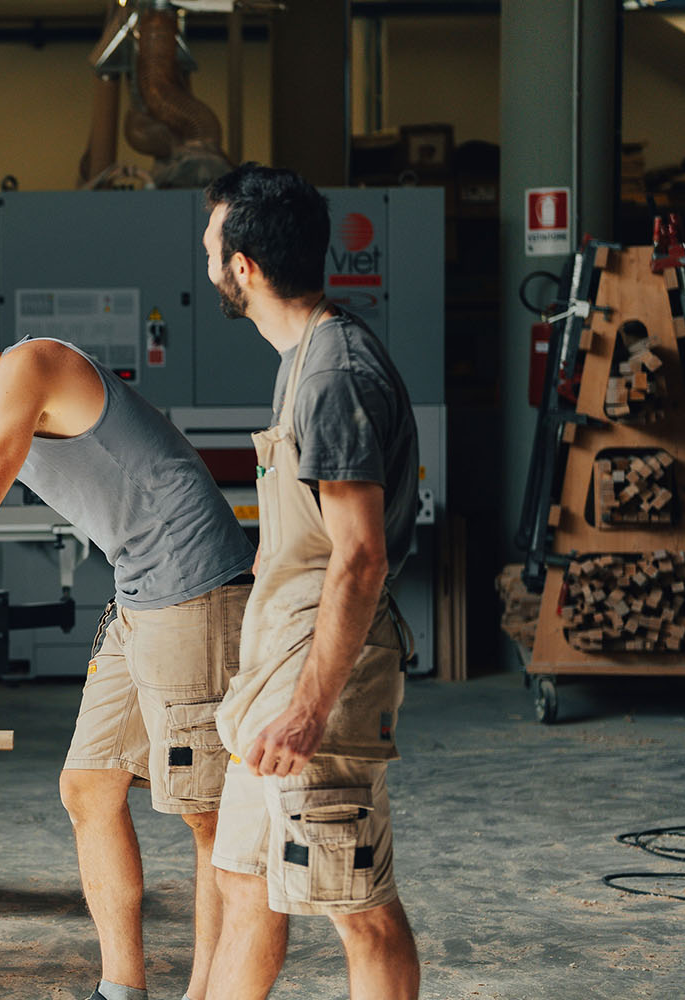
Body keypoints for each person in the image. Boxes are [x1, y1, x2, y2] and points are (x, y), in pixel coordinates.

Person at [0, 307, 255, 1000]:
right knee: (89, 786)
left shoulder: (33, 365)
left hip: (195, 590)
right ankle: (122, 990)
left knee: (206, 816)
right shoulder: (3, 411)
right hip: (141, 595)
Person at [199, 164, 420, 1000]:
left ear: (243, 268)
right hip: (278, 662)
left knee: (357, 905)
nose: (208, 260)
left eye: (213, 246)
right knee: (245, 885)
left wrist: (307, 707)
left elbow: (358, 557)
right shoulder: (305, 358)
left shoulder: (333, 373)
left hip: (318, 676)